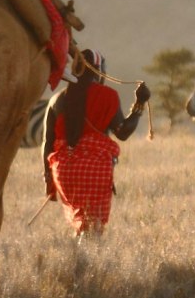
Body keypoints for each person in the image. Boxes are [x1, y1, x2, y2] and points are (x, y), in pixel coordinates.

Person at [43, 49, 149, 234]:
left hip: (63, 171)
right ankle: (88, 261)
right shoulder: (107, 95)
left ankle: (79, 258)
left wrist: (48, 179)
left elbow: (47, 143)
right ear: (98, 71)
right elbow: (123, 132)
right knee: (94, 229)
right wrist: (139, 104)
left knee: (81, 224)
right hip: (95, 168)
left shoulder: (56, 99)